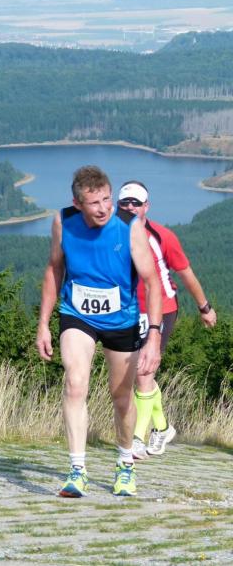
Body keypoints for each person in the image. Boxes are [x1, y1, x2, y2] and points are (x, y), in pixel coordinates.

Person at [35, 165, 162, 497]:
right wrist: (43, 324)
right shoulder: (63, 222)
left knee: (121, 397)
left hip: (122, 320)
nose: (104, 208)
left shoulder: (129, 227)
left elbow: (152, 281)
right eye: (94, 203)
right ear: (77, 204)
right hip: (77, 313)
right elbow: (54, 269)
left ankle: (125, 463)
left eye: (107, 199)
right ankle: (77, 471)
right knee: (75, 383)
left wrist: (154, 335)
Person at [116, 181, 217, 460]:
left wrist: (204, 307)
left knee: (144, 372)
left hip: (161, 309)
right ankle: (162, 428)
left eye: (136, 203)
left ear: (146, 206)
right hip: (127, 311)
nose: (130, 207)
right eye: (125, 202)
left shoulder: (162, 237)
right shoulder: (109, 234)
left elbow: (186, 274)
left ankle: (136, 439)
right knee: (133, 374)